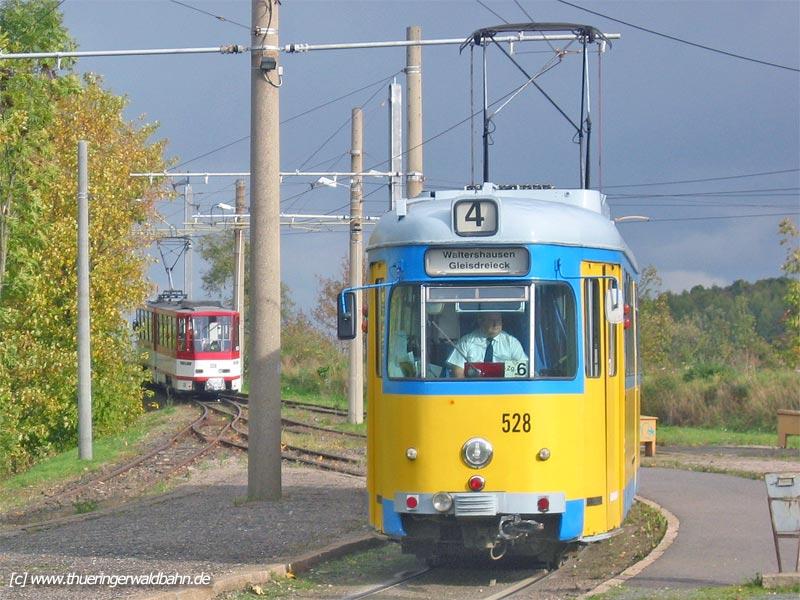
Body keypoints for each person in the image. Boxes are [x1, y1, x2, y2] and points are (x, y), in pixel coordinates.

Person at [447, 312, 528, 378]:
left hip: (505, 390)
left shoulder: (512, 342)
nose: (496, 324)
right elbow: (458, 371)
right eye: (491, 320)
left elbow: (523, 370)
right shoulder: (466, 341)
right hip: (474, 390)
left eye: (498, 320)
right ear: (480, 321)